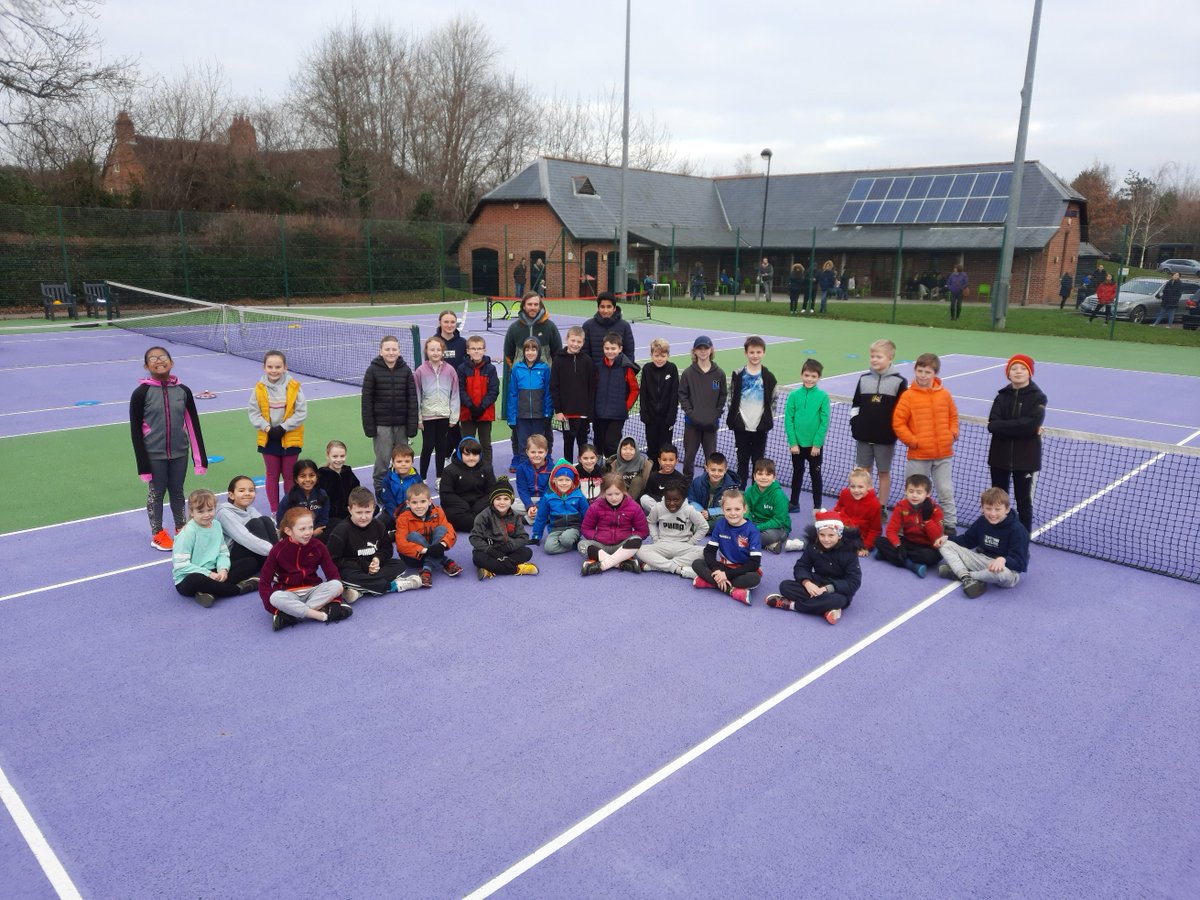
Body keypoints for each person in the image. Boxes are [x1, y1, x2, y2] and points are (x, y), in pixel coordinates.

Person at [130, 346, 208, 551]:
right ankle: (157, 533)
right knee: (156, 492)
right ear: (147, 366)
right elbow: (135, 431)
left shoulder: (184, 391)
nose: (159, 361)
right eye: (153, 359)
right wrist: (143, 465)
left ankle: (181, 529)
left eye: (163, 357)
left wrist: (200, 460)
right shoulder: (141, 393)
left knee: (177, 491)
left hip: (179, 452)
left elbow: (193, 425)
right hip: (153, 454)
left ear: (171, 362)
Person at [892, 352, 959, 534]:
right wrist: (913, 441)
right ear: (915, 371)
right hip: (919, 455)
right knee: (913, 492)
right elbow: (898, 423)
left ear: (934, 374)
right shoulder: (908, 396)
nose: (922, 375)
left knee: (945, 490)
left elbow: (953, 416)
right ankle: (906, 526)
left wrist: (952, 434)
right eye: (919, 371)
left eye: (927, 372)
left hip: (943, 454)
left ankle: (950, 525)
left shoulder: (945, 395)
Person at [259, 507, 352, 631]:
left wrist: (336, 600)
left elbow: (333, 575)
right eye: (302, 529)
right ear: (288, 531)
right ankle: (319, 614)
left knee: (337, 585)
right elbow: (264, 582)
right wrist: (273, 608)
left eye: (310, 527)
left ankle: (292, 613)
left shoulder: (319, 546)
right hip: (289, 592)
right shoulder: (277, 550)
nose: (308, 532)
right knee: (274, 598)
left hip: (313, 590)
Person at [766, 509, 862, 624]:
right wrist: (807, 583)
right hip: (817, 582)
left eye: (831, 535)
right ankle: (825, 609)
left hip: (837, 591)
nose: (826, 539)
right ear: (817, 534)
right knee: (785, 586)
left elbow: (854, 582)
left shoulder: (849, 553)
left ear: (839, 535)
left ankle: (792, 605)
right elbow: (801, 566)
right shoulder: (813, 547)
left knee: (838, 600)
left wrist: (827, 589)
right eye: (822, 535)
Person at [987, 354, 1046, 535]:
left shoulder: (1038, 397)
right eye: (1014, 368)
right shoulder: (1001, 396)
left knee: (1023, 502)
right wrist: (1024, 427)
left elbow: (1031, 424)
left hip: (1025, 459)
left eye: (1022, 368)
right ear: (1009, 373)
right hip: (999, 457)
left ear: (1029, 373)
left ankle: (1022, 538)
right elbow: (992, 425)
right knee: (997, 500)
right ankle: (998, 534)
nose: (1018, 371)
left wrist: (1008, 427)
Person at [326, 487, 423, 598]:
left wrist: (377, 559)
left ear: (374, 509)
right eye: (359, 512)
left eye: (368, 512)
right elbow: (333, 561)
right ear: (349, 510)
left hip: (374, 569)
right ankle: (392, 586)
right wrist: (364, 566)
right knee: (344, 576)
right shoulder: (341, 531)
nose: (364, 517)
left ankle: (360, 590)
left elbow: (387, 550)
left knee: (399, 565)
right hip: (353, 569)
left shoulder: (379, 525)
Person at [503, 294, 562, 466]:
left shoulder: (549, 326)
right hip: (521, 384)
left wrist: (549, 372)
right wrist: (518, 369)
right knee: (518, 430)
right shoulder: (515, 328)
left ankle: (547, 455)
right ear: (523, 306)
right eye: (529, 304)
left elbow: (557, 353)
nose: (533, 307)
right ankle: (518, 456)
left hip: (543, 383)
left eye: (536, 304)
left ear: (540, 305)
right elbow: (508, 354)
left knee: (545, 426)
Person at [938, 487, 1029, 598]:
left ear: (1007, 509)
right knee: (945, 545)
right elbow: (967, 540)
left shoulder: (1018, 530)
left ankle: (964, 575)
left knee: (1002, 574)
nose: (992, 513)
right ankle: (968, 576)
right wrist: (948, 539)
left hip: (1006, 570)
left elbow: (1021, 564)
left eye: (997, 509)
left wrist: (1003, 560)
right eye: (988, 508)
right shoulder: (982, 522)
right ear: (982, 508)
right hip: (981, 561)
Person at [173, 488, 257, 608]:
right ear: (192, 512)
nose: (207, 515)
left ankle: (210, 591)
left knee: (250, 562)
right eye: (201, 511)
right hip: (189, 577)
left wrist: (223, 569)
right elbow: (181, 565)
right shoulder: (188, 532)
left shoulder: (216, 525)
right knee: (195, 580)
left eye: (210, 510)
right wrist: (208, 574)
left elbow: (223, 552)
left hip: (213, 571)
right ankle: (238, 589)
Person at [850, 339, 907, 512]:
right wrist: (855, 425)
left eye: (879, 356)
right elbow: (856, 405)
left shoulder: (899, 382)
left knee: (883, 472)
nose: (874, 359)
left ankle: (881, 507)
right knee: (864, 472)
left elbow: (902, 411)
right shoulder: (864, 379)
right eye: (872, 356)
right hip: (864, 437)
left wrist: (894, 431)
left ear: (890, 358)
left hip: (885, 438)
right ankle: (864, 505)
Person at [248, 350, 306, 515]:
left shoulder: (294, 386)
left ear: (285, 367)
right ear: (264, 368)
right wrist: (267, 428)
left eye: (278, 367)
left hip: (290, 436)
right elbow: (253, 412)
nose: (274, 370)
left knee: (289, 476)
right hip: (269, 438)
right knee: (272, 475)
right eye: (270, 367)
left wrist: (283, 428)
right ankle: (275, 511)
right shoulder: (259, 388)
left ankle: (289, 510)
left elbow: (301, 412)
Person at [362, 334, 418, 498]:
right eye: (387, 349)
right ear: (381, 351)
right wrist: (370, 427)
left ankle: (402, 489)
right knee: (383, 461)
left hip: (402, 425)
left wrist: (412, 426)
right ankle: (380, 490)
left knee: (402, 459)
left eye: (394, 349)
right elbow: (367, 401)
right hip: (382, 425)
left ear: (399, 351)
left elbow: (412, 399)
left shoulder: (406, 370)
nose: (391, 352)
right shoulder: (372, 370)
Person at [692, 490, 761, 605]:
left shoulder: (753, 531)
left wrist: (726, 575)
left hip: (743, 570)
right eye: (728, 509)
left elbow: (754, 564)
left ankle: (710, 582)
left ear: (744, 509)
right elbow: (709, 551)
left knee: (754, 579)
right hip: (724, 566)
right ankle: (732, 591)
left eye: (737, 509)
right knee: (697, 564)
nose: (733, 513)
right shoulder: (720, 524)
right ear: (723, 510)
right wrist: (717, 570)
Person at [727, 336, 778, 489]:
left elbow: (773, 401)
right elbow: (731, 397)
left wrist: (766, 420)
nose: (755, 355)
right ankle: (741, 493)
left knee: (758, 463)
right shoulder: (737, 375)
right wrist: (735, 418)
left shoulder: (769, 377)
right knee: (742, 462)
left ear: (763, 353)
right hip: (741, 426)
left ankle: (757, 494)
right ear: (746, 353)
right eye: (751, 352)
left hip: (759, 428)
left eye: (758, 352)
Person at [873, 473, 945, 578]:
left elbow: (936, 537)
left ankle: (888, 555)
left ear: (928, 493)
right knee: (878, 541)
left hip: (927, 547)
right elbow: (891, 530)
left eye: (919, 492)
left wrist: (927, 520)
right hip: (908, 542)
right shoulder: (901, 506)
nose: (914, 495)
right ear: (905, 491)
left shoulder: (936, 510)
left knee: (933, 556)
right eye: (911, 491)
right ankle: (911, 565)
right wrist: (898, 545)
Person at [578, 472, 650, 576]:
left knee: (636, 540)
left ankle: (602, 566)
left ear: (624, 491)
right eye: (609, 494)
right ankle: (622, 563)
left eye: (617, 494)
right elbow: (586, 528)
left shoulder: (634, 507)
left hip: (622, 545)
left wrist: (629, 536)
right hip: (601, 545)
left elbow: (643, 531)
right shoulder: (595, 506)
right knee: (582, 545)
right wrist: (596, 536)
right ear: (603, 493)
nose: (614, 498)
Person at [784, 359, 830, 513]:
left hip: (814, 447)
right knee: (797, 473)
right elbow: (788, 420)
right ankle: (794, 503)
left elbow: (824, 422)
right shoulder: (794, 395)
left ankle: (817, 507)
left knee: (815, 475)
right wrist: (793, 443)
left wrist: (817, 444)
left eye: (813, 376)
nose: (809, 379)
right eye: (807, 375)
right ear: (801, 375)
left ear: (819, 377)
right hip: (797, 445)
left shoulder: (823, 397)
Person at [678, 335, 727, 480]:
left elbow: (722, 395)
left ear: (711, 350)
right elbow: (682, 395)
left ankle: (708, 487)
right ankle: (687, 486)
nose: (703, 351)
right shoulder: (688, 373)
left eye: (706, 348)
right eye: (700, 348)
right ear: (694, 351)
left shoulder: (719, 374)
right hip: (692, 424)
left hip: (711, 425)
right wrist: (691, 413)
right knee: (688, 459)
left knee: (710, 460)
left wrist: (716, 413)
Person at [395, 482, 463, 586]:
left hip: (435, 549)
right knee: (413, 535)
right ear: (408, 503)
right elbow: (401, 544)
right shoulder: (403, 518)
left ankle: (426, 570)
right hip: (413, 557)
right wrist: (427, 550)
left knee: (441, 529)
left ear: (430, 501)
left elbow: (451, 532)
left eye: (423, 501)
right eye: (414, 502)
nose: (419, 506)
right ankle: (445, 561)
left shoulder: (438, 512)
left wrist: (442, 545)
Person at [216, 475, 277, 588]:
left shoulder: (251, 510)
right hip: (230, 556)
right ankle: (274, 566)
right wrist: (275, 552)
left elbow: (272, 529)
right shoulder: (224, 513)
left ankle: (276, 564)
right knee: (255, 523)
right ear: (231, 495)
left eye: (251, 490)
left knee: (266, 520)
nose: (247, 493)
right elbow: (244, 537)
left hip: (251, 550)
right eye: (241, 490)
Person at [637, 485, 709, 579]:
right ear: (664, 498)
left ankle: (657, 565)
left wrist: (691, 542)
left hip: (683, 546)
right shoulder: (658, 507)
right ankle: (678, 569)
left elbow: (704, 526)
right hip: (662, 545)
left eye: (676, 500)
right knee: (639, 550)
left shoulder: (689, 509)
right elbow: (651, 522)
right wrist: (655, 539)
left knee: (706, 552)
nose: (671, 503)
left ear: (683, 499)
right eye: (668, 500)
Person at [414, 335, 459, 484]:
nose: (435, 352)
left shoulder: (450, 370)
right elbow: (417, 396)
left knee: (441, 447)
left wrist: (453, 417)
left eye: (438, 350)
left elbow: (455, 394)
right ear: (426, 351)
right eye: (432, 349)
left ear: (443, 352)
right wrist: (418, 418)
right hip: (427, 416)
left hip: (444, 416)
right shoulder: (420, 371)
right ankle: (423, 478)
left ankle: (440, 478)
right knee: (427, 447)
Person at [471, 477, 538, 578]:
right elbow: (474, 538)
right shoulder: (483, 516)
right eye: (498, 499)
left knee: (527, 552)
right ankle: (517, 569)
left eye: (506, 499)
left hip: (507, 548)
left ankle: (490, 569)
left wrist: (509, 546)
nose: (502, 502)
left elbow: (523, 537)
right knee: (478, 558)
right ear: (492, 500)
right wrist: (492, 551)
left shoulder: (515, 516)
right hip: (489, 551)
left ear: (511, 501)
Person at [550, 325, 596, 463]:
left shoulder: (587, 361)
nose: (575, 344)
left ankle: (583, 471)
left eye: (579, 341)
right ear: (567, 339)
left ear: (583, 342)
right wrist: (558, 411)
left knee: (583, 444)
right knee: (568, 443)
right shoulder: (558, 360)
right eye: (573, 340)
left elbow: (592, 388)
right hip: (566, 415)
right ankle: (568, 471)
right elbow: (554, 387)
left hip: (583, 414)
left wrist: (590, 412)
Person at [592, 333, 640, 460]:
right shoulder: (598, 367)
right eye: (607, 348)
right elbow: (594, 389)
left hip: (617, 415)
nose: (610, 351)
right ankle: (600, 469)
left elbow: (635, 389)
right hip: (599, 414)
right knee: (598, 442)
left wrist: (625, 407)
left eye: (613, 349)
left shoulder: (626, 368)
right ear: (603, 349)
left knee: (611, 443)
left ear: (620, 349)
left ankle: (613, 469)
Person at [508, 336, 553, 469]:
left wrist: (547, 414)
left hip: (540, 416)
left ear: (538, 352)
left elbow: (548, 393)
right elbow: (512, 394)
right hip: (521, 416)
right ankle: (524, 470)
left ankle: (542, 470)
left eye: (534, 349)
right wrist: (512, 418)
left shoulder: (544, 369)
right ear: (523, 352)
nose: (530, 352)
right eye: (527, 349)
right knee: (523, 445)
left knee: (539, 444)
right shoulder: (517, 369)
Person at [457, 335, 499, 470]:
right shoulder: (462, 369)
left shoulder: (491, 369)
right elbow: (460, 389)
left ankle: (486, 469)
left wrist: (481, 407)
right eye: (473, 348)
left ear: (484, 350)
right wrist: (470, 406)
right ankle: (466, 470)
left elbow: (493, 391)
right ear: (468, 351)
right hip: (467, 413)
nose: (476, 351)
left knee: (485, 444)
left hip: (485, 413)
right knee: (467, 444)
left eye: (479, 348)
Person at [531, 460, 590, 554]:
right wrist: (536, 535)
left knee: (566, 539)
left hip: (574, 528)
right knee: (549, 548)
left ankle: (570, 541)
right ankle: (575, 545)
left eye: (567, 480)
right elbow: (541, 517)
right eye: (561, 480)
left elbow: (587, 515)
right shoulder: (548, 497)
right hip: (555, 529)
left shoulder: (579, 496)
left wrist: (589, 533)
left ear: (573, 482)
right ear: (554, 481)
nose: (564, 483)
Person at [440, 437, 496, 533]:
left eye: (475, 454)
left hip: (480, 507)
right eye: (467, 454)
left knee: (498, 508)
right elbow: (446, 494)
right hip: (459, 508)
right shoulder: (449, 470)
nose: (471, 458)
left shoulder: (487, 468)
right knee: (448, 515)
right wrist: (464, 505)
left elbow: (492, 491)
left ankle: (478, 524)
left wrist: (478, 506)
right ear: (460, 454)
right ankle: (482, 525)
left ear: (480, 454)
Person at [639, 338, 679, 464]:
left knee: (666, 449)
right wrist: (643, 412)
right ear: (651, 355)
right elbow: (643, 392)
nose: (659, 358)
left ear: (668, 355)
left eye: (663, 355)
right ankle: (652, 474)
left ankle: (665, 474)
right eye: (656, 355)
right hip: (650, 418)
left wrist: (672, 415)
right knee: (652, 448)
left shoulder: (672, 368)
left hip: (666, 419)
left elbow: (674, 394)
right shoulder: (646, 369)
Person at [830, 467, 883, 558]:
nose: (856, 490)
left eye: (860, 487)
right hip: (842, 530)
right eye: (852, 486)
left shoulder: (875, 505)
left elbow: (875, 530)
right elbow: (837, 508)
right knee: (822, 532)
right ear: (849, 485)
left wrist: (865, 546)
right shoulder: (845, 493)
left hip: (859, 537)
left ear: (869, 487)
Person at [434, 309, 467, 456]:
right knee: (443, 428)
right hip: (439, 394)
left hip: (459, 393)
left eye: (452, 322)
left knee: (455, 426)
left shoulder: (462, 343)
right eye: (446, 322)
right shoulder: (433, 343)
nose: (449, 325)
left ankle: (456, 455)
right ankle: (449, 456)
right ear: (440, 323)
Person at [744, 458, 791, 553]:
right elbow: (746, 511)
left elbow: (778, 521)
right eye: (760, 474)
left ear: (774, 478)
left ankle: (744, 541)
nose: (763, 477)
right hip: (755, 523)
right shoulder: (749, 491)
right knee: (732, 522)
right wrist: (748, 524)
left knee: (770, 536)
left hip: (777, 528)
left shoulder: (779, 496)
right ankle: (768, 546)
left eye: (768, 474)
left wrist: (757, 528)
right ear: (754, 476)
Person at [276, 458, 330, 539]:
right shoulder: (289, 498)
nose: (307, 479)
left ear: (316, 477)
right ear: (296, 479)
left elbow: (323, 520)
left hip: (317, 535)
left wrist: (312, 534)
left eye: (311, 475)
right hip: (295, 537)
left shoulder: (322, 495)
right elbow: (281, 522)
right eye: (302, 476)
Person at [582, 292, 635, 365]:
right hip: (594, 374)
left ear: (614, 308)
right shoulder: (587, 326)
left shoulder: (625, 326)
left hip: (618, 374)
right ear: (598, 308)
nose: (605, 310)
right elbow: (584, 353)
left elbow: (629, 354)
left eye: (609, 307)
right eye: (602, 307)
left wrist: (623, 371)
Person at [317, 440, 360, 527]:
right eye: (335, 456)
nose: (339, 460)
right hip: (331, 516)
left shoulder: (348, 472)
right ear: (328, 456)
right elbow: (320, 502)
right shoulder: (322, 476)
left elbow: (357, 492)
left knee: (373, 509)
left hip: (349, 512)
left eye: (342, 456)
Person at [687, 451, 739, 520]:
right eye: (713, 470)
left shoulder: (731, 488)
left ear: (725, 470)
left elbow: (731, 507)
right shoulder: (697, 482)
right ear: (706, 469)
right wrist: (700, 512)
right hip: (699, 515)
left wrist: (710, 512)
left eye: (720, 470)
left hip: (716, 517)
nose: (716, 474)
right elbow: (691, 500)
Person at [640, 444, 688, 514]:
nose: (667, 463)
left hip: (674, 507)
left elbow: (683, 496)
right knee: (644, 499)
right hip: (659, 505)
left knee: (686, 501)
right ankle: (665, 516)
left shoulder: (680, 478)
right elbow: (648, 493)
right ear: (659, 461)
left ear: (676, 461)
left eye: (671, 460)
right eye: (664, 460)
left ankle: (667, 517)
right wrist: (662, 501)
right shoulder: (653, 476)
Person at [514, 433, 552, 522]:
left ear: (546, 452)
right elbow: (522, 490)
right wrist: (529, 506)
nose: (536, 455)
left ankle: (526, 519)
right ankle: (542, 517)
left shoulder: (552, 469)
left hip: (546, 500)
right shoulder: (521, 468)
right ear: (527, 452)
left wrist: (538, 506)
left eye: (540, 452)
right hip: (528, 500)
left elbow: (548, 492)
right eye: (533, 452)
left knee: (558, 505)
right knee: (510, 504)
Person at [380, 444, 421, 522]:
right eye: (399, 461)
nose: (403, 464)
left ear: (412, 462)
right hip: (393, 513)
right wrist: (397, 517)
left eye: (407, 461)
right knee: (379, 524)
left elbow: (421, 496)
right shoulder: (388, 479)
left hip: (412, 511)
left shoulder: (416, 478)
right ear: (393, 462)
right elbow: (388, 501)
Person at [607, 435, 651, 501]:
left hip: (638, 498)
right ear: (619, 450)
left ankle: (628, 504)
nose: (628, 452)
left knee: (637, 480)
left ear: (636, 450)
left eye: (631, 449)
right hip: (618, 497)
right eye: (624, 449)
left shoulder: (645, 463)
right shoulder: (613, 464)